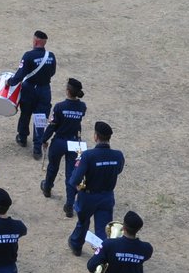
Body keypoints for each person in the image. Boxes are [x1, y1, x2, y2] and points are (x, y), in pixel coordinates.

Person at [67, 121, 123, 256]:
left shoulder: (88, 155)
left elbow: (74, 180)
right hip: (107, 196)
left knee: (83, 223)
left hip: (88, 197)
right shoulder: (118, 155)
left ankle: (76, 245)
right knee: (103, 230)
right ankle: (102, 257)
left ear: (96, 136)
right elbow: (118, 170)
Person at [7, 31, 57, 157]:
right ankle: (37, 148)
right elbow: (53, 72)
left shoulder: (28, 55)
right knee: (40, 118)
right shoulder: (51, 56)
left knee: (25, 114)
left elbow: (20, 74)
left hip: (29, 89)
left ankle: (23, 138)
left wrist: (10, 82)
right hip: (45, 90)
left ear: (35, 41)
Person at [41, 78, 87, 215]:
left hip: (59, 141)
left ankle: (47, 188)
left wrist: (44, 139)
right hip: (74, 142)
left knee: (53, 167)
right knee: (71, 174)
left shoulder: (59, 107)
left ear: (67, 91)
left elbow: (53, 126)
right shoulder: (82, 107)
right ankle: (69, 203)